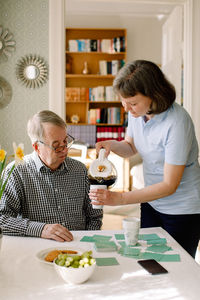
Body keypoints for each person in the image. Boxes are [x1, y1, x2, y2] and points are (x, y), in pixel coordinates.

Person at [89, 60, 200, 258]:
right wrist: (113, 145)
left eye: (133, 103)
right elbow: (131, 147)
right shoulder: (137, 114)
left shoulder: (177, 122)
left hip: (182, 209)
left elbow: (169, 185)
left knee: (177, 266)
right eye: (124, 103)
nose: (127, 110)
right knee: (150, 259)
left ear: (154, 95)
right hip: (151, 202)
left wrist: (121, 198)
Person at [0, 110, 103, 242]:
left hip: (77, 249)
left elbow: (94, 217)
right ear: (37, 147)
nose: (65, 150)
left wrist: (86, 243)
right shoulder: (15, 172)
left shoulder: (80, 170)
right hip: (34, 249)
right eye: (57, 146)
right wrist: (41, 229)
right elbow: (2, 219)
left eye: (66, 142)